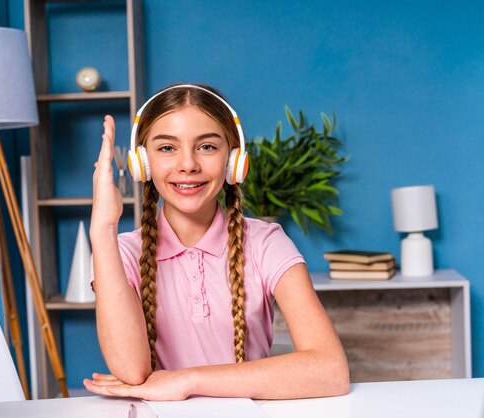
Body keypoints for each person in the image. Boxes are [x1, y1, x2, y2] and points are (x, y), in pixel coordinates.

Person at [84, 83, 350, 401]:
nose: (188, 164)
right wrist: (103, 228)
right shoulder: (122, 253)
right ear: (143, 162)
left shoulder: (267, 244)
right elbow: (131, 370)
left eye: (207, 147)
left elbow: (331, 370)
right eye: (167, 148)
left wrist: (189, 381)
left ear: (233, 159)